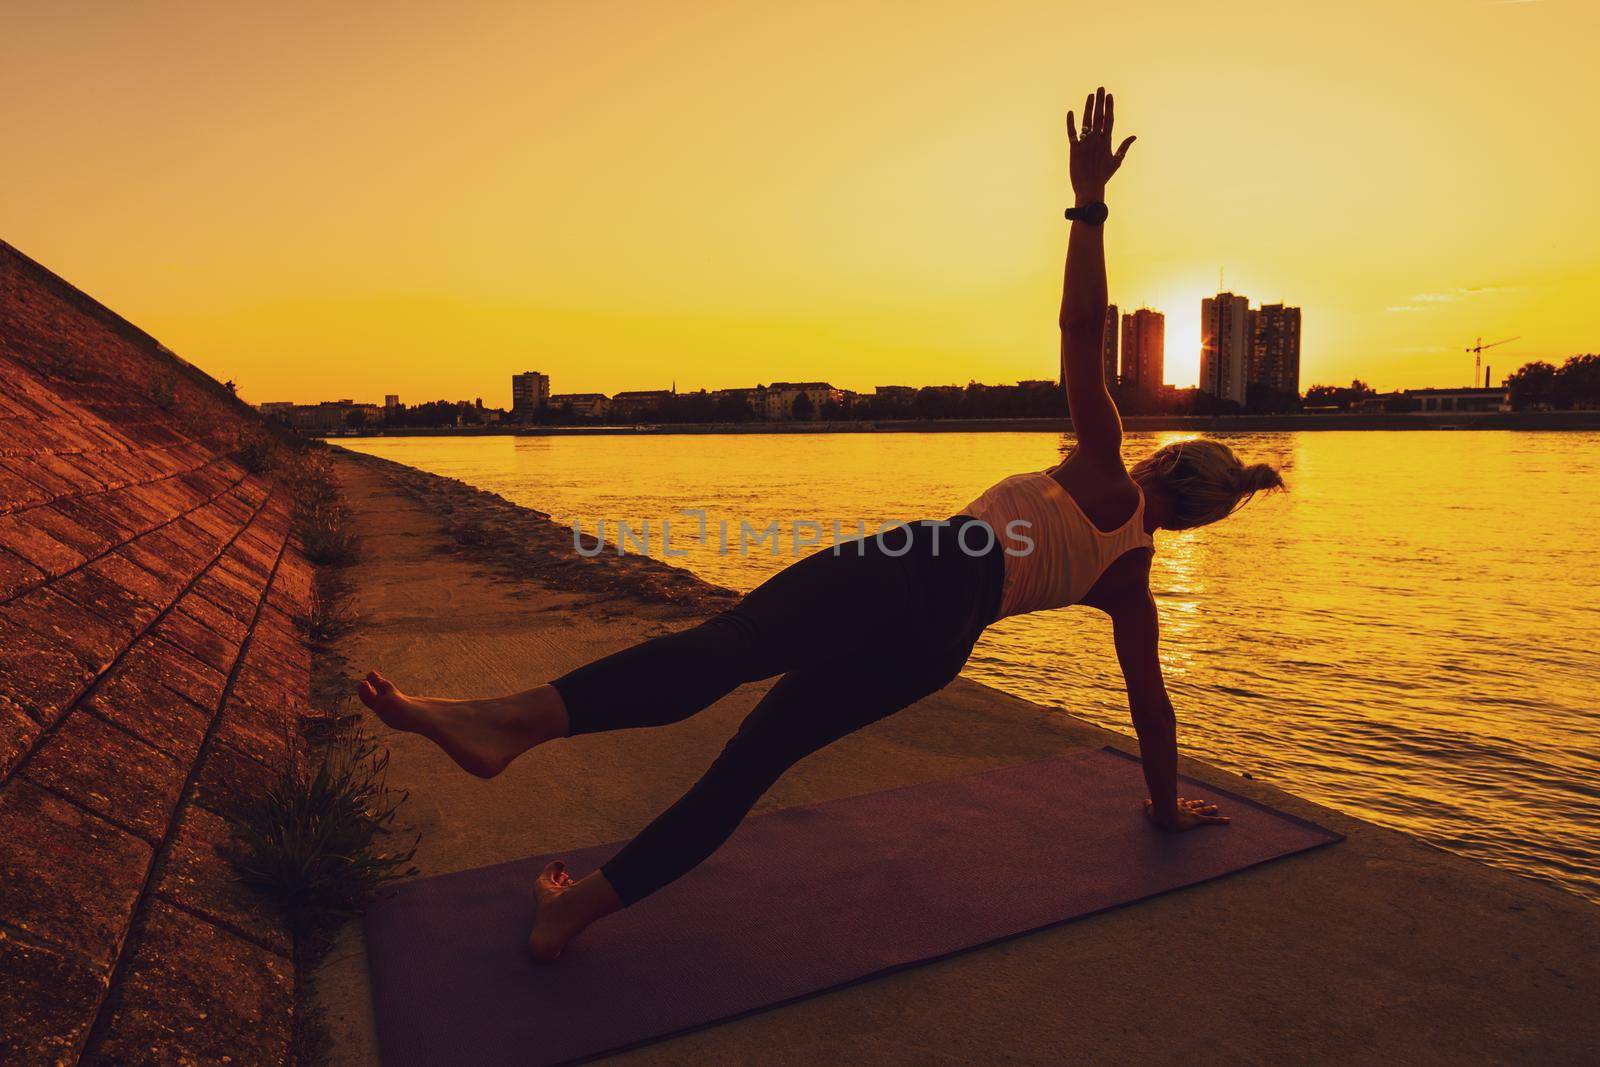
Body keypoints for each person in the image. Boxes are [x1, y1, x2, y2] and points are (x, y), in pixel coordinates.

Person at [358, 87, 1284, 962]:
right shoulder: (1132, 584)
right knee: (747, 764)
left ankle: (505, 724)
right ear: (1198, 522)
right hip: (943, 645)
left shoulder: (1103, 461)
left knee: (723, 649)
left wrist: (1087, 206)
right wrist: (1163, 810)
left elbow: (1082, 332)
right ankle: (572, 910)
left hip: (926, 562)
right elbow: (1150, 707)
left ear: (1167, 461)